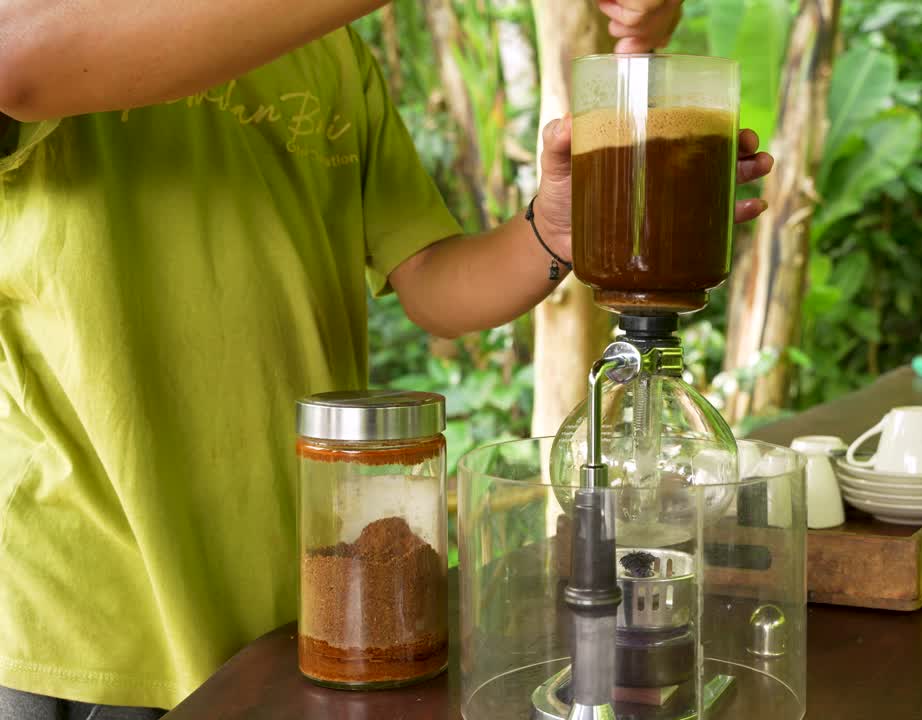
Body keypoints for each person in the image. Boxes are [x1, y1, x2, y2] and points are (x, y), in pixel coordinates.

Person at [0, 0, 773, 717]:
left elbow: (432, 282)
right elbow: (18, 61)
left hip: (303, 592)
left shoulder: (325, 48)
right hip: (90, 616)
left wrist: (556, 230)